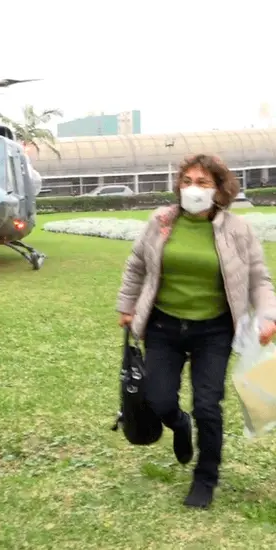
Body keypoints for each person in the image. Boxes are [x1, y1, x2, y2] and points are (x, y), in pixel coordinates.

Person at [116, 153, 276, 509]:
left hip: (214, 331)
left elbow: (258, 280)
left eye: (202, 183)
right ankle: (178, 422)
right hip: (163, 326)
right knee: (157, 400)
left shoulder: (238, 229)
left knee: (208, 405)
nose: (192, 189)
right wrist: (126, 307)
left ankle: (205, 478)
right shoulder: (160, 222)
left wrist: (268, 315)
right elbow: (136, 265)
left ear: (220, 189)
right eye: (186, 181)